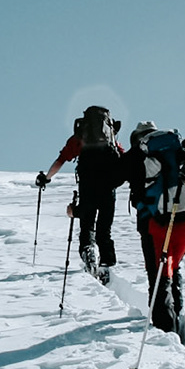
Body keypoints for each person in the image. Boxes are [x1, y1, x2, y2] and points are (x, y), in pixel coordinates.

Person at [123, 121, 185, 338]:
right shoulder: (178, 153)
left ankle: (165, 331)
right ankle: (177, 319)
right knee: (173, 269)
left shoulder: (139, 156)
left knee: (158, 275)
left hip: (154, 224)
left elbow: (116, 176)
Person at [37, 106, 123, 284]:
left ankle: (89, 253)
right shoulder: (111, 139)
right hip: (108, 190)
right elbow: (124, 161)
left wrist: (46, 178)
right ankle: (106, 266)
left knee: (87, 225)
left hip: (88, 188)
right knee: (104, 230)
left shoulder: (79, 137)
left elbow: (61, 160)